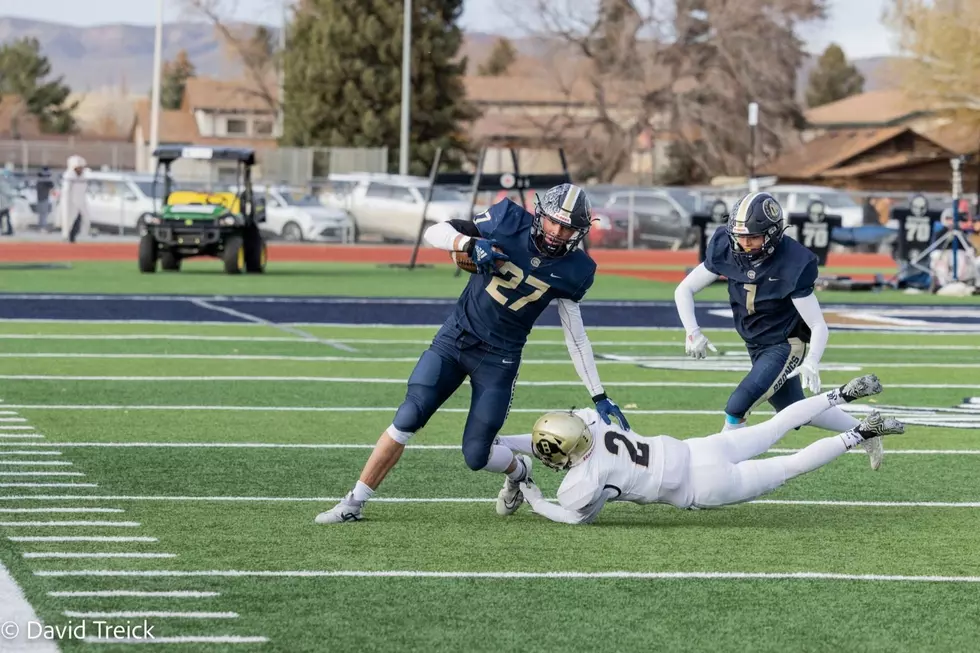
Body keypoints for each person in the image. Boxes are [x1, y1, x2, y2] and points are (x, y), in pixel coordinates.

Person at [316, 183, 630, 523]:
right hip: (456, 339)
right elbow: (435, 232)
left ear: (579, 231)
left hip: (500, 359)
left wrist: (598, 393)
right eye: (554, 221)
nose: (557, 232)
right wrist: (467, 243)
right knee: (407, 417)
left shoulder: (576, 269)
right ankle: (353, 502)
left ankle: (519, 470)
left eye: (568, 227)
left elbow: (575, 334)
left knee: (476, 454)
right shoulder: (508, 220)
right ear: (541, 215)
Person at [672, 191, 884, 470]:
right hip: (755, 341)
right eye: (740, 237)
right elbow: (684, 289)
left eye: (753, 238)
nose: (744, 244)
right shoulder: (726, 246)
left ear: (772, 234)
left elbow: (818, 324)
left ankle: (716, 467)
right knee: (793, 408)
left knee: (738, 405)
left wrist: (812, 361)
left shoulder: (793, 262)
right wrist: (692, 331)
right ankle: (867, 430)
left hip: (784, 343)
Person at [512, 374, 904, 525]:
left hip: (700, 486)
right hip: (696, 449)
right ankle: (841, 394)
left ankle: (860, 434)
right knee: (776, 424)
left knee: (789, 467)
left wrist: (535, 499)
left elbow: (577, 516)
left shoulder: (583, 478)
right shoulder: (591, 420)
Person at [58, 155, 91, 243]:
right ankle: (67, 236)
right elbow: (66, 190)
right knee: (68, 218)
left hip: (80, 200)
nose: (80, 170)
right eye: (78, 168)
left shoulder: (84, 175)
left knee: (82, 218)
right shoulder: (69, 175)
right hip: (70, 201)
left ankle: (76, 235)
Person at [35, 166, 54, 232]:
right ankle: (42, 227)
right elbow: (51, 185)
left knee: (43, 214)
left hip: (42, 198)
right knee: (43, 214)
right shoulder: (44, 180)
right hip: (43, 198)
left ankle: (42, 226)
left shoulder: (40, 180)